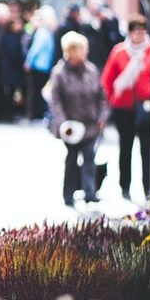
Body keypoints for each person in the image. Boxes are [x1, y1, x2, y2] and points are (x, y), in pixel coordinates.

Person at [100, 15, 150, 201]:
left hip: (145, 107)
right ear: (129, 32)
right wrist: (109, 100)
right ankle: (125, 186)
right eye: (135, 30)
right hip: (123, 107)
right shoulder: (119, 52)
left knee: (147, 150)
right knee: (125, 148)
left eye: (142, 30)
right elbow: (107, 80)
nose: (139, 34)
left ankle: (148, 187)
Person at [48, 32, 108, 207]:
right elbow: (56, 100)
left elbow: (101, 96)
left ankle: (90, 192)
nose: (85, 52)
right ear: (72, 51)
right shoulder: (60, 73)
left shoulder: (91, 69)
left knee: (89, 157)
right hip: (70, 127)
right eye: (82, 49)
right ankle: (68, 194)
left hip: (90, 124)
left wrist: (102, 117)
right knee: (72, 159)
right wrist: (63, 123)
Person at [24, 7, 57, 119]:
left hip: (40, 66)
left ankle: (35, 114)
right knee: (37, 91)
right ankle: (35, 114)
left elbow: (36, 49)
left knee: (36, 92)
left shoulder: (43, 32)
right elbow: (37, 49)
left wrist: (28, 62)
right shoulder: (45, 32)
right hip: (41, 66)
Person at [0, 14, 26, 122]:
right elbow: (13, 53)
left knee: (10, 92)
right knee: (9, 93)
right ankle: (8, 114)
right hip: (10, 70)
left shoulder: (11, 36)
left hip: (10, 69)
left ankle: (9, 114)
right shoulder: (10, 37)